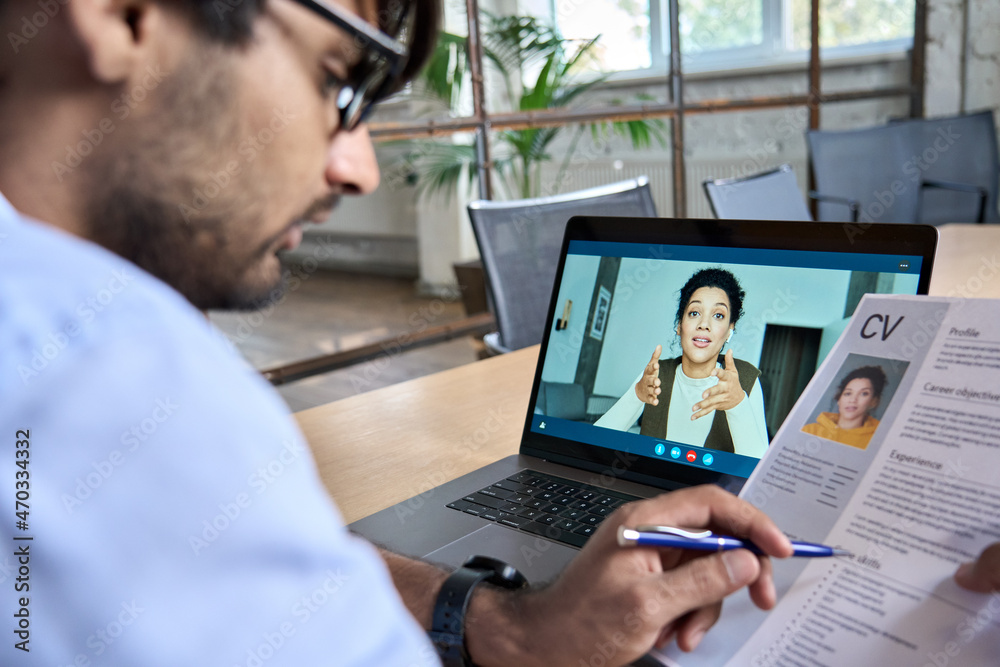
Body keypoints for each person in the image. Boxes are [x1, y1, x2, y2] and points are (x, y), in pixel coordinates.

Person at [0, 0, 794, 665]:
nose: (360, 169)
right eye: (338, 80)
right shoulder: (111, 372)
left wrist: (504, 625)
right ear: (121, 14)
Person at [596, 268, 769, 458]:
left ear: (729, 330)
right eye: (694, 313)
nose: (704, 324)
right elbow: (594, 441)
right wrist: (637, 395)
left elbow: (760, 472)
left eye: (718, 315)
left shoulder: (746, 379)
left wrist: (737, 404)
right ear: (679, 325)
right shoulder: (656, 373)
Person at [801, 365, 887, 449]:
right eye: (848, 393)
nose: (853, 400)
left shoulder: (878, 441)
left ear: (874, 401)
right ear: (839, 399)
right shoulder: (810, 431)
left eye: (864, 393)